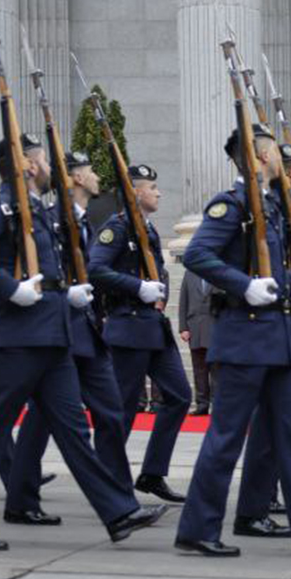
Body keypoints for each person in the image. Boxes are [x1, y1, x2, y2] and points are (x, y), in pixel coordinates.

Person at [0, 134, 164, 550]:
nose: (49, 165)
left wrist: (66, 295)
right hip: (16, 338)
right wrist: (9, 288)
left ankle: (117, 511)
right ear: (27, 165)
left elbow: (47, 273)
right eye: (42, 158)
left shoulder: (38, 210)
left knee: (74, 431)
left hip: (52, 334)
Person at [174, 125, 291, 558]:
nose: (281, 158)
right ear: (257, 158)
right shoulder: (232, 206)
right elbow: (198, 254)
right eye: (274, 152)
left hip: (279, 340)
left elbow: (272, 268)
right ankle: (198, 528)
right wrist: (243, 286)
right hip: (243, 338)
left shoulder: (270, 209)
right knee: (225, 438)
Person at [1, 149, 136, 526]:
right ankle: (25, 499)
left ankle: (117, 499)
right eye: (90, 169)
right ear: (75, 178)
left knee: (101, 412)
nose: (96, 175)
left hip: (82, 329)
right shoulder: (54, 220)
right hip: (61, 328)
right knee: (54, 418)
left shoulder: (82, 220)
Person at [89, 164, 191, 503]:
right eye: (152, 187)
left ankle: (152, 473)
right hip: (128, 325)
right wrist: (137, 287)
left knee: (179, 396)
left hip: (153, 327)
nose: (159, 193)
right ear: (135, 192)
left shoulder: (147, 229)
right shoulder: (116, 228)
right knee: (122, 408)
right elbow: (96, 269)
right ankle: (107, 478)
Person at [179, 260, 218, 416]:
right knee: (199, 369)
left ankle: (217, 404)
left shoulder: (218, 273)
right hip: (195, 328)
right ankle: (202, 404)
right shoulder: (189, 274)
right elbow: (183, 301)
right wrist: (183, 327)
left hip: (215, 328)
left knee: (217, 370)